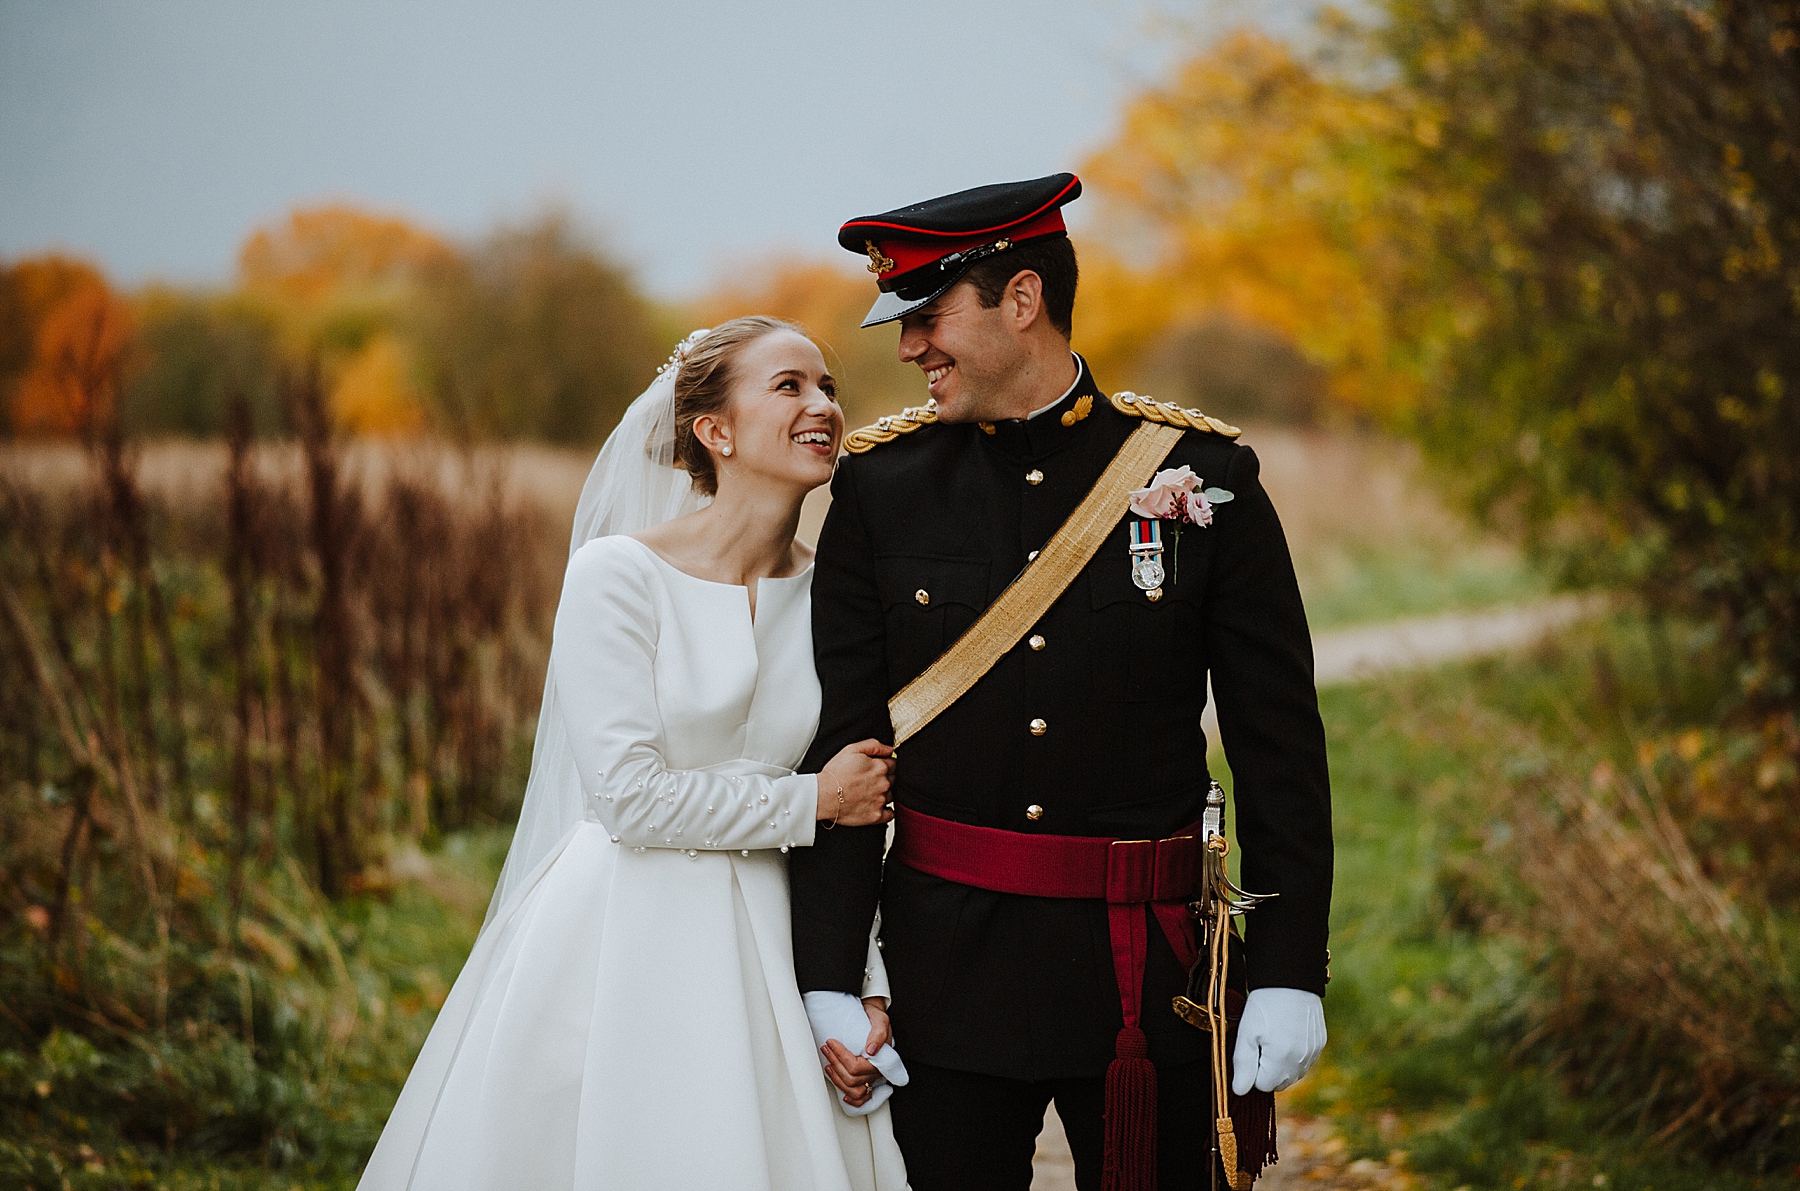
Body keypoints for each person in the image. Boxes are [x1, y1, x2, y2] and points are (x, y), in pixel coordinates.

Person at [788, 174, 1333, 1191]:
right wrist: (831, 976)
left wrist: (1292, 967)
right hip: (943, 976)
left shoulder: (1203, 475)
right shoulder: (879, 490)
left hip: (1151, 981)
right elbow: (845, 745)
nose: (908, 347)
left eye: (927, 315)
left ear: (1022, 301)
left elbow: (1279, 750)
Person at [358, 317, 910, 1191]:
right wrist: (809, 803)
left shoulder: (834, 590)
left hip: (779, 937)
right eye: (790, 385)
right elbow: (630, 798)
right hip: (628, 935)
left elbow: (861, 815)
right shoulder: (619, 574)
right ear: (715, 432)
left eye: (829, 387)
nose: (824, 407)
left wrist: (858, 980)